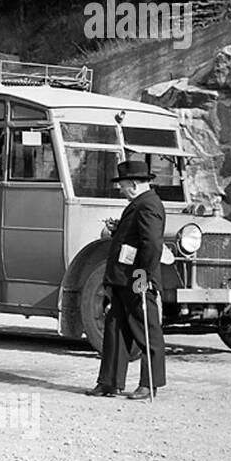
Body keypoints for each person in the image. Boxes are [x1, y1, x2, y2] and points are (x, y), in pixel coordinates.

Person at [87, 159, 167, 400]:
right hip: (124, 279)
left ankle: (150, 383)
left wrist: (143, 277)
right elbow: (136, 236)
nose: (120, 189)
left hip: (137, 280)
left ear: (133, 184)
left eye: (122, 185)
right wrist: (119, 229)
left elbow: (152, 245)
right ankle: (109, 382)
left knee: (146, 331)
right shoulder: (139, 204)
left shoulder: (148, 205)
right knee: (115, 331)